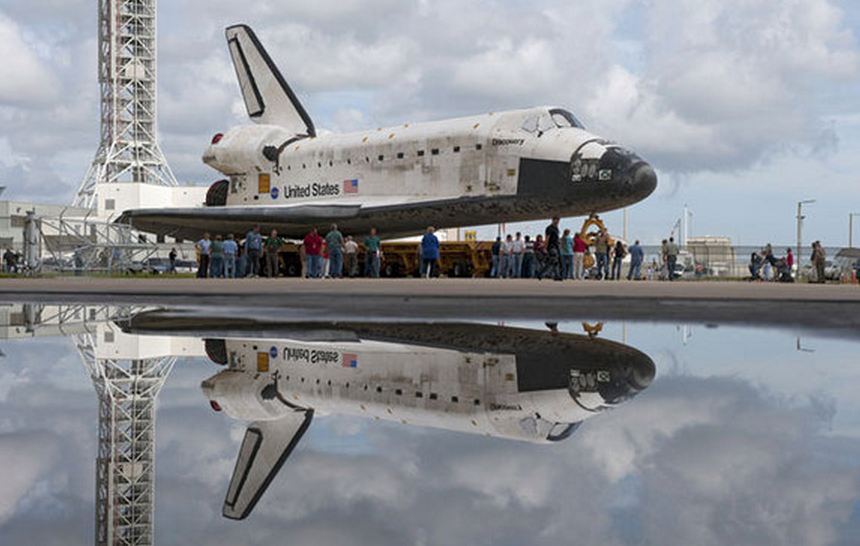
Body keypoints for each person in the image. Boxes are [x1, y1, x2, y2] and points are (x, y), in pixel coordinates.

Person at [540, 217, 562, 281]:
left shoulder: (556, 228)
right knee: (554, 261)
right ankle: (556, 275)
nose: (557, 222)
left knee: (552, 262)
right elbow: (547, 238)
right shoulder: (549, 228)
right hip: (551, 247)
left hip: (556, 247)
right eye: (556, 220)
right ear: (553, 220)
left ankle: (542, 274)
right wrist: (545, 247)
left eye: (558, 221)